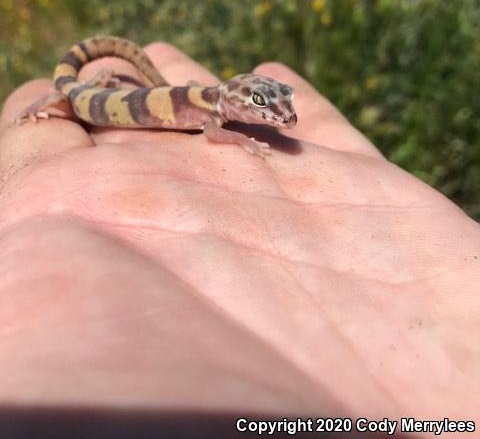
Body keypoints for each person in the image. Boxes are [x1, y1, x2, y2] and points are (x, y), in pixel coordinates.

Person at [0, 41, 478, 436]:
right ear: (231, 100)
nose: (280, 116)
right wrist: (246, 140)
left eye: (277, 102)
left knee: (76, 88)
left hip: (100, 89)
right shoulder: (208, 116)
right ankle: (61, 95)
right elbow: (215, 136)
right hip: (85, 98)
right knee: (62, 95)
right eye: (261, 106)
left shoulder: (210, 106)